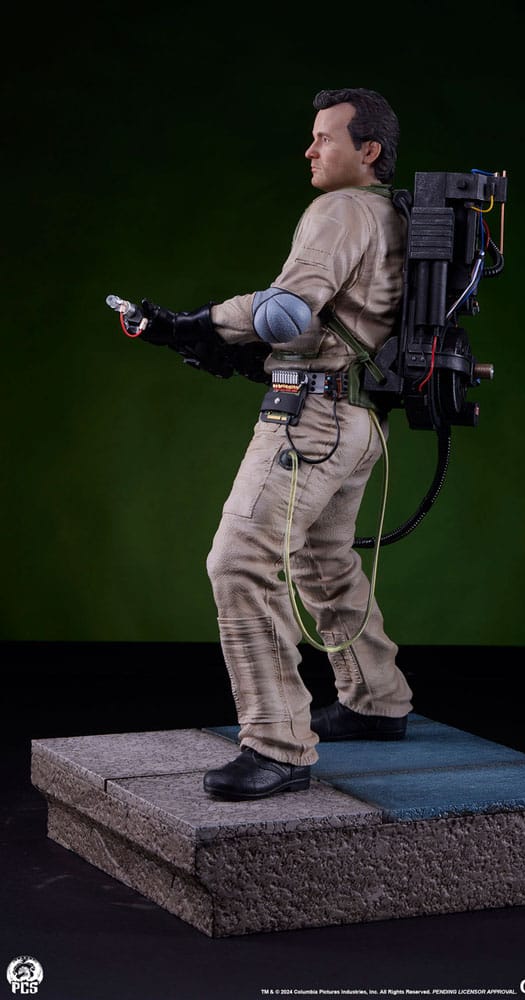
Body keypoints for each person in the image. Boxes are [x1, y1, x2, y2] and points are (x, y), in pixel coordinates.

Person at [134, 88, 414, 800]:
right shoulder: (393, 213)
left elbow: (287, 310)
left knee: (239, 562)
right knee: (323, 560)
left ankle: (278, 745)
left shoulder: (341, 209)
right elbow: (337, 320)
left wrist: (197, 322)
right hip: (358, 421)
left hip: (309, 419)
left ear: (368, 151)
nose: (310, 149)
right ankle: (376, 699)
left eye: (325, 138)